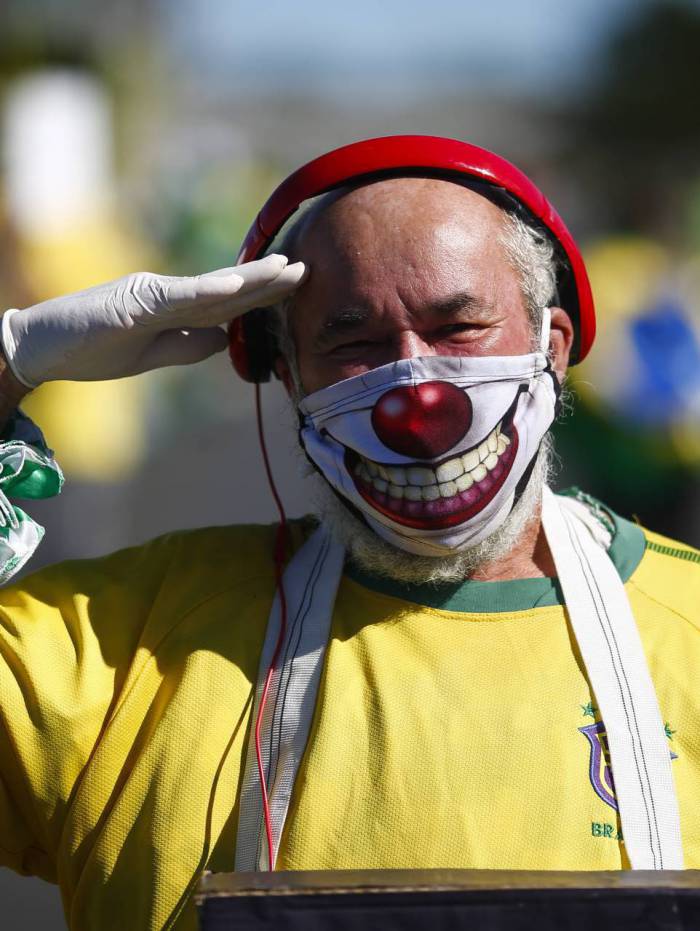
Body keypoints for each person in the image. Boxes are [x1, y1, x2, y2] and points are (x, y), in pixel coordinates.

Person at [0, 136, 698, 931]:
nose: (416, 400)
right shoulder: (128, 644)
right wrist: (7, 363)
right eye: (353, 341)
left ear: (554, 347)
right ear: (287, 373)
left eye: (459, 326)